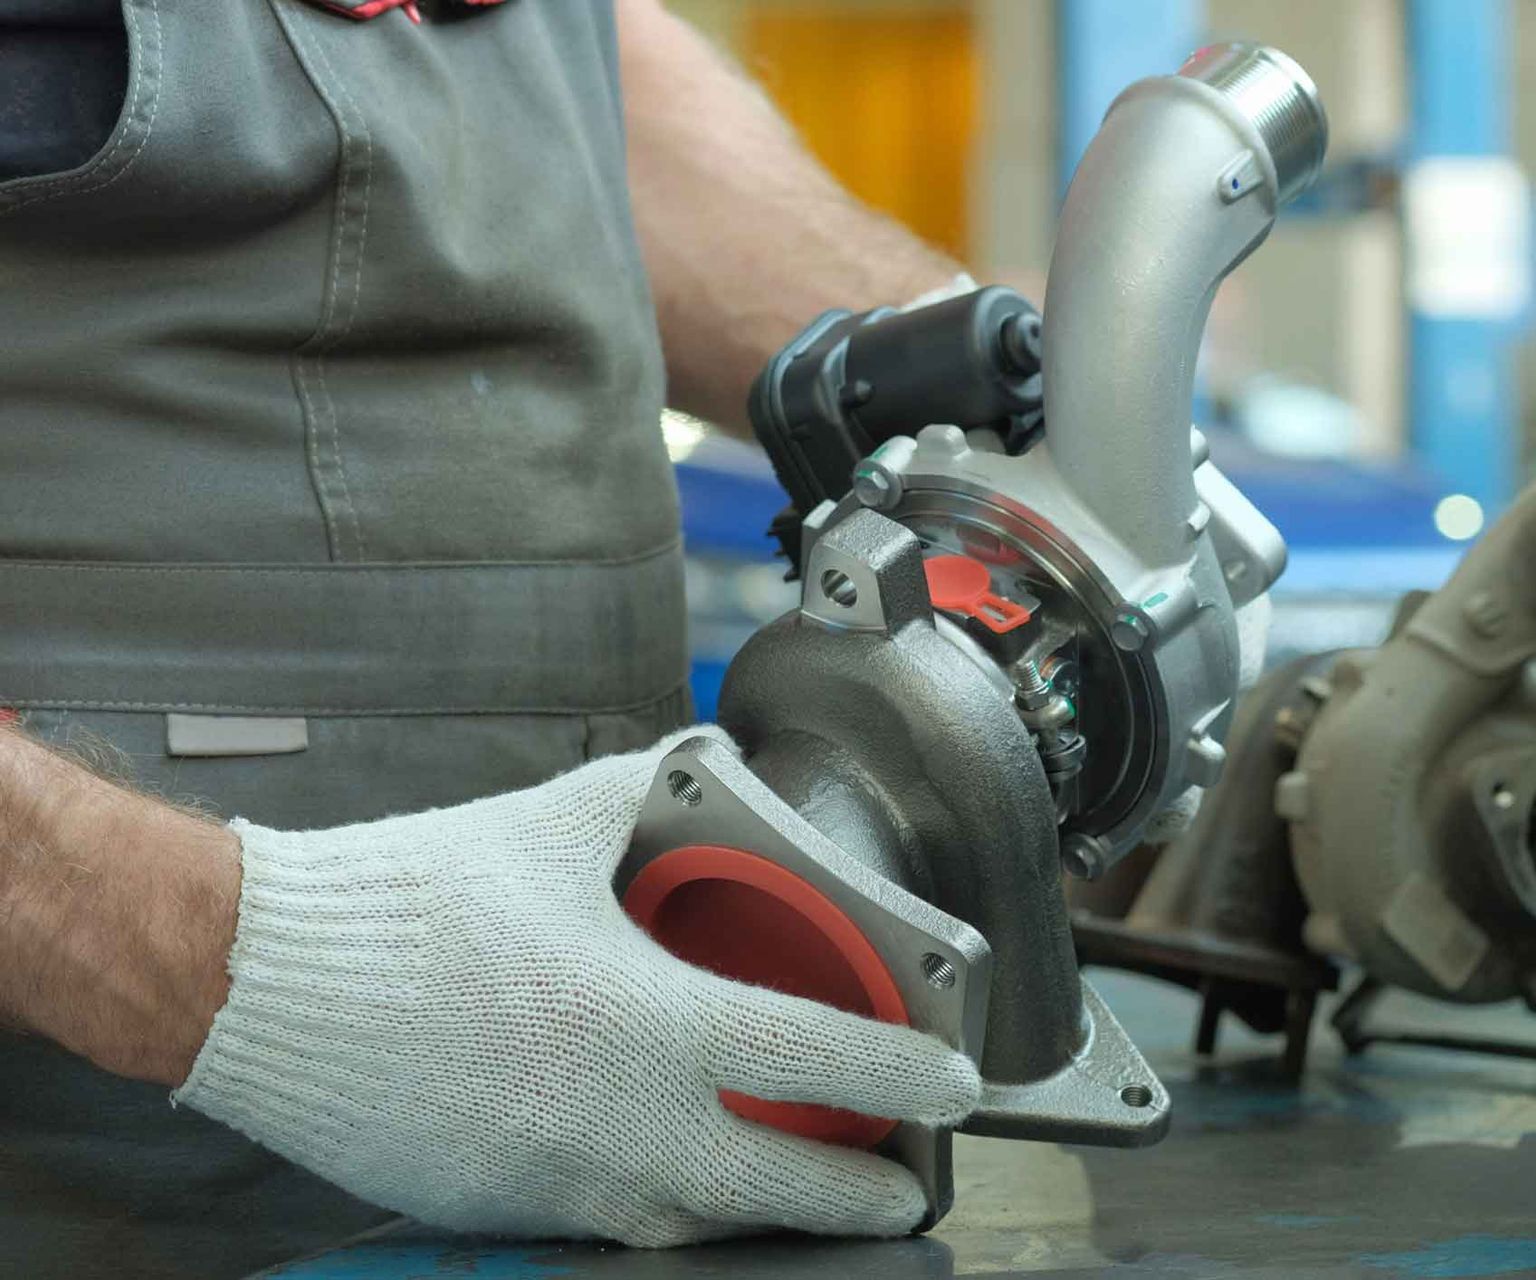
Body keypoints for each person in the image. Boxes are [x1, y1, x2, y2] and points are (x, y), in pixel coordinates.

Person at [0, 2, 986, 1276]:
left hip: (622, 1147)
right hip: (92, 1182)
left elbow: (533, 73)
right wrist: (253, 971)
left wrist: (971, 399)